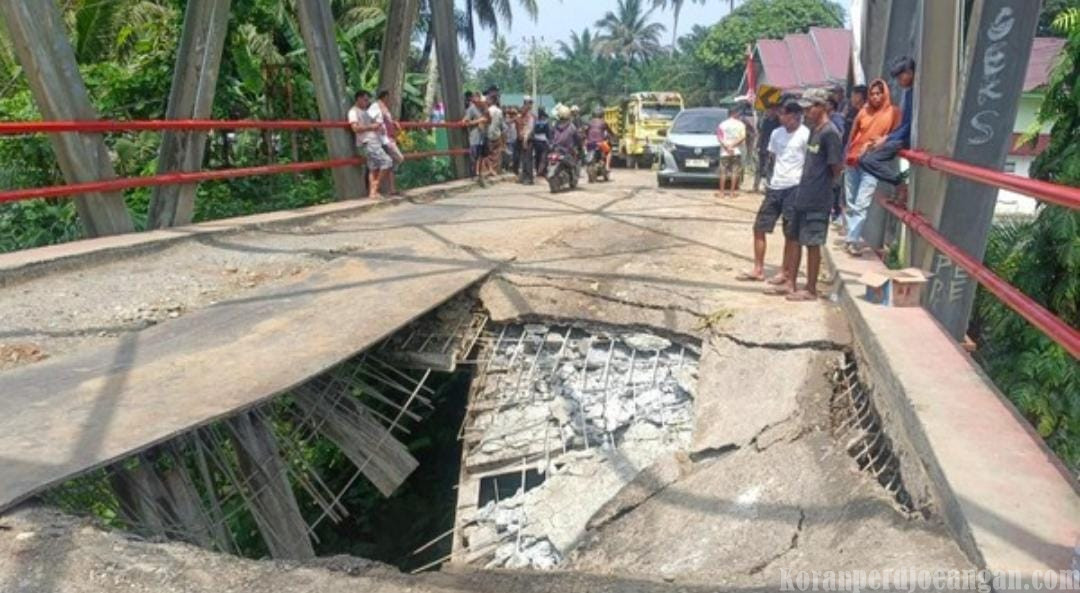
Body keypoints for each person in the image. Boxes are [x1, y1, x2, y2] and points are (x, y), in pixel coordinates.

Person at [774, 88, 843, 301]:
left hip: (818, 197)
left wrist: (826, 191)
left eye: (809, 107)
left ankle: (811, 289)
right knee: (794, 238)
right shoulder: (814, 130)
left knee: (813, 242)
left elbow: (835, 168)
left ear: (821, 106)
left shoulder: (830, 133)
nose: (806, 112)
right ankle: (790, 282)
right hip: (802, 195)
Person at [737, 100, 809, 284]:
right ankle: (758, 268)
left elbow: (808, 161)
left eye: (783, 113)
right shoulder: (777, 133)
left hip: (794, 187)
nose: (780, 117)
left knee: (790, 233)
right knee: (759, 227)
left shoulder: (805, 134)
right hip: (775, 186)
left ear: (794, 116)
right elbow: (774, 157)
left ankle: (785, 272)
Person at [843, 78, 899, 255]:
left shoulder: (893, 113)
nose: (875, 97)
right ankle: (852, 236)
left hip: (872, 164)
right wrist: (846, 156)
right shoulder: (863, 112)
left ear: (885, 94)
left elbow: (896, 136)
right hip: (854, 160)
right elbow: (853, 135)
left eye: (878, 93)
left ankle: (852, 240)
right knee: (851, 202)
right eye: (872, 94)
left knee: (861, 203)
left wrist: (884, 141)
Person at [348, 90, 393, 199]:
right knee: (387, 161)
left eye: (368, 100)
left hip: (374, 140)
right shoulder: (353, 112)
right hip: (367, 142)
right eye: (365, 100)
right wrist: (371, 127)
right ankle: (375, 186)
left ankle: (373, 193)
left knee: (373, 168)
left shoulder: (367, 112)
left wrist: (378, 128)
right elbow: (355, 128)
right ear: (358, 99)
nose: (367, 102)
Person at [374, 90, 405, 196]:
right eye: (389, 97)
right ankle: (376, 186)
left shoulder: (385, 108)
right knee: (399, 158)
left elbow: (387, 121)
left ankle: (392, 189)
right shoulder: (377, 106)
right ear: (385, 97)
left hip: (390, 137)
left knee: (391, 163)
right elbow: (372, 119)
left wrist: (394, 123)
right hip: (385, 138)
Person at [716, 108, 747, 199]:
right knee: (734, 172)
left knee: (723, 172)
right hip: (736, 151)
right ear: (734, 113)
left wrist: (727, 147)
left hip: (724, 152)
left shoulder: (722, 124)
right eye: (738, 113)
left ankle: (721, 192)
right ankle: (732, 193)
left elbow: (719, 137)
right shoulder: (741, 125)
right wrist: (733, 145)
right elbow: (742, 137)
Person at [753, 105, 781, 193]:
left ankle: (769, 186)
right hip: (763, 147)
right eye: (768, 110)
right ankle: (755, 186)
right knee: (759, 167)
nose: (768, 112)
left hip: (772, 148)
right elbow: (761, 134)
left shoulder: (778, 122)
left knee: (770, 167)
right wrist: (758, 145)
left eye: (771, 110)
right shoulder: (765, 121)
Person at [464, 92, 489, 180]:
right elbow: (466, 122)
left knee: (481, 156)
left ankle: (480, 173)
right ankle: (473, 175)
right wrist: (478, 121)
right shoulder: (471, 109)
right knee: (473, 156)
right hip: (474, 136)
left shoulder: (483, 109)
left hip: (482, 135)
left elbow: (489, 120)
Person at [585, 106, 614, 173]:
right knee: (609, 152)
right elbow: (610, 132)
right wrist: (613, 135)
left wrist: (586, 138)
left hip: (590, 143)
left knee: (587, 152)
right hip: (600, 143)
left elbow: (585, 131)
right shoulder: (603, 122)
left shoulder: (589, 122)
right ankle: (607, 167)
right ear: (602, 114)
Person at [485, 92, 506, 175]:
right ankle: (494, 170)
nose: (486, 101)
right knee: (496, 154)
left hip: (488, 134)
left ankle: (489, 170)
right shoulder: (499, 111)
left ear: (491, 100)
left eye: (488, 99)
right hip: (497, 134)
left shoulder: (487, 111)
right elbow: (501, 125)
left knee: (488, 153)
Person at [518, 97, 536, 184]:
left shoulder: (530, 116)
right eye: (525, 103)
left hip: (528, 139)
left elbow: (530, 128)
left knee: (528, 159)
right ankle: (524, 176)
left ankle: (528, 178)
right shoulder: (523, 115)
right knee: (524, 158)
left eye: (528, 103)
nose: (525, 105)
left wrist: (525, 139)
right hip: (523, 139)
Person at [532, 107, 551, 178]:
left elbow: (533, 131)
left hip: (536, 141)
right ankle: (542, 171)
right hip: (543, 141)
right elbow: (548, 133)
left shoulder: (535, 122)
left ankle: (538, 170)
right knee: (544, 157)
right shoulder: (546, 123)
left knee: (537, 156)